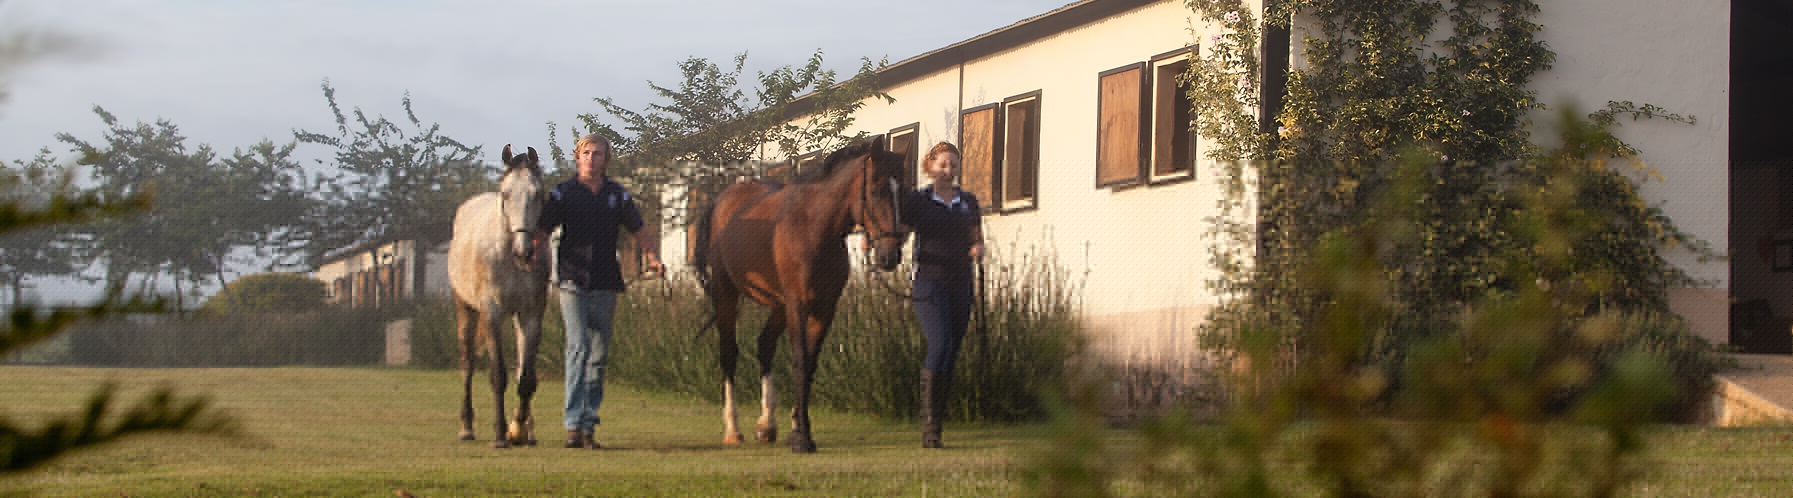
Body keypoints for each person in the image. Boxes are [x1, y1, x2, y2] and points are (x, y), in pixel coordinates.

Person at [535, 133, 663, 450]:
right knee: (578, 349)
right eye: (587, 153)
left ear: (607, 159)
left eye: (599, 154)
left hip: (606, 284)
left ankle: (589, 425)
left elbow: (638, 228)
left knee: (599, 358)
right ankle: (572, 425)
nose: (592, 158)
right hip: (571, 283)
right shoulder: (562, 193)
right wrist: (531, 256)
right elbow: (541, 230)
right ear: (577, 157)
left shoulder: (616, 195)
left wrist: (652, 256)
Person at [899, 141, 984, 449]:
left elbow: (976, 235)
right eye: (943, 165)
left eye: (953, 165)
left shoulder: (968, 201)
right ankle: (928, 427)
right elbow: (902, 233)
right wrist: (874, 243)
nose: (949, 170)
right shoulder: (917, 201)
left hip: (961, 280)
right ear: (930, 166)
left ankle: (938, 426)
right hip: (929, 281)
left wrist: (979, 247)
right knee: (940, 342)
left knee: (952, 350)